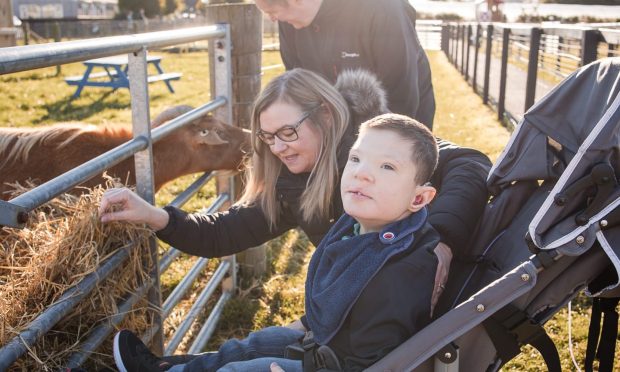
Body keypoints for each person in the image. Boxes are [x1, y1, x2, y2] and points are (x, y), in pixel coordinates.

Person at [99, 69, 490, 310]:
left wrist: (441, 242)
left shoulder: (375, 144)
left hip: (441, 298)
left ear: (323, 113)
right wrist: (156, 216)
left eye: (288, 132)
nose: (279, 147)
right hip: (366, 308)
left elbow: (469, 161)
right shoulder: (293, 186)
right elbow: (223, 232)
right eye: (268, 137)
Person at [112, 113, 442, 371]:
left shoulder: (402, 269)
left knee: (245, 368)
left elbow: (375, 361)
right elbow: (224, 231)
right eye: (356, 160)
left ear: (419, 199)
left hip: (336, 365)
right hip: (324, 344)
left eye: (386, 166)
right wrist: (155, 215)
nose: (362, 173)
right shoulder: (359, 227)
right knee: (253, 345)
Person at [254, 0, 436, 129]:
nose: (272, 19)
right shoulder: (290, 23)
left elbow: (401, 90)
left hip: (397, 113)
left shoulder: (382, 9)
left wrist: (385, 144)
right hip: (333, 122)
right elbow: (298, 85)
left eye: (272, 12)